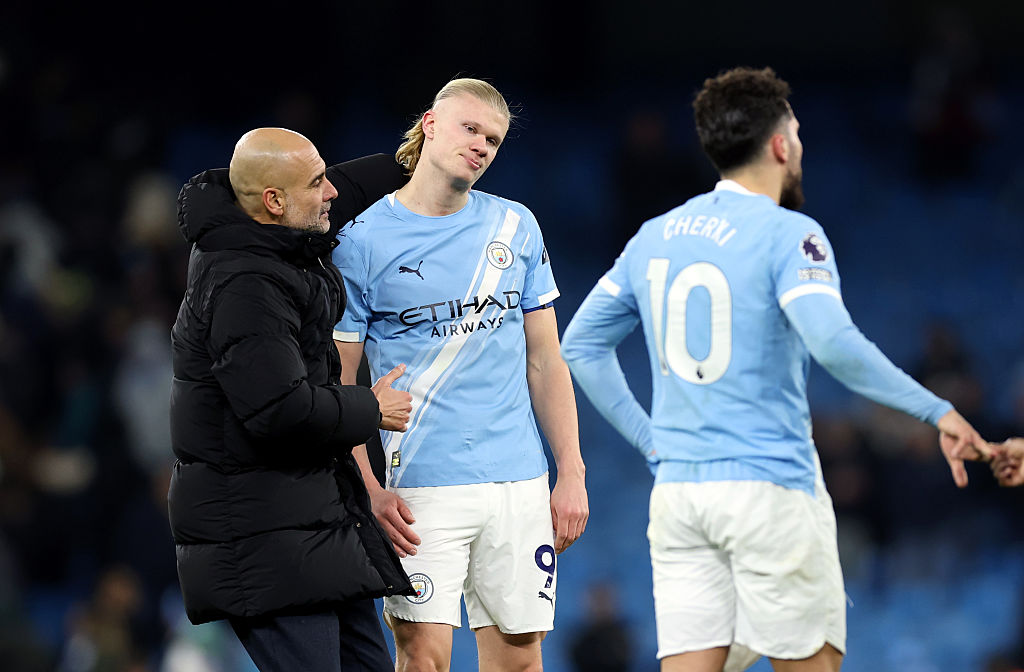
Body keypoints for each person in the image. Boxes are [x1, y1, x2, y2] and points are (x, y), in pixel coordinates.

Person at [560, 67, 990, 672]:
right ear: (781, 145)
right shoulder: (790, 234)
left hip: (681, 497)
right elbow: (833, 343)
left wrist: (651, 441)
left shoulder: (654, 237)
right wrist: (937, 409)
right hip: (769, 488)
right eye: (799, 134)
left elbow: (580, 344)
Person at [332, 78, 589, 672]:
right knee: (424, 659)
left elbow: (546, 360)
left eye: (493, 140)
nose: (481, 146)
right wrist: (367, 487)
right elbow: (340, 383)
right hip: (419, 487)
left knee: (520, 661)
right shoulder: (361, 241)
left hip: (518, 481)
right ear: (429, 123)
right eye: (470, 129)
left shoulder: (516, 226)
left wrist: (571, 471)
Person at [168, 127, 416, 671]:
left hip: (309, 525)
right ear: (274, 202)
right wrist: (371, 409)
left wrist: (422, 153)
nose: (332, 192)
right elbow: (279, 411)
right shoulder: (244, 284)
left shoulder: (270, 230)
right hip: (261, 541)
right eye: (317, 182)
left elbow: (346, 187)